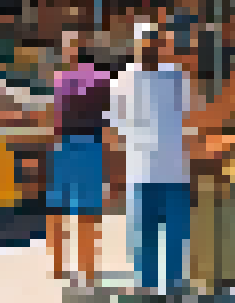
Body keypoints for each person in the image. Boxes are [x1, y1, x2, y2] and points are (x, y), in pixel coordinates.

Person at [107, 21, 195, 295]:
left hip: (175, 171)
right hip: (139, 171)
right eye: (145, 43)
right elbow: (113, 128)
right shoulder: (121, 80)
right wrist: (114, 174)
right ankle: (145, 289)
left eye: (154, 42)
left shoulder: (179, 77)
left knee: (175, 236)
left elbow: (189, 119)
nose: (150, 48)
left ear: (162, 44)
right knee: (143, 239)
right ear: (135, 46)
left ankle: (173, 288)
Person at [45, 31, 109, 286]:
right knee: (87, 212)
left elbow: (54, 117)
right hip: (90, 146)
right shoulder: (102, 79)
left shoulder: (60, 79)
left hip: (67, 146)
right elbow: (108, 117)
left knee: (59, 211)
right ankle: (88, 270)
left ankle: (60, 266)